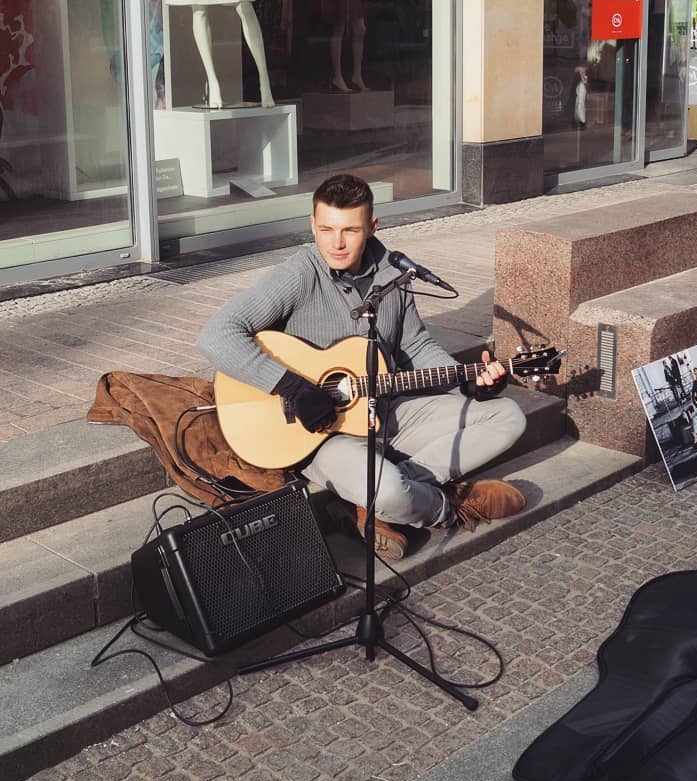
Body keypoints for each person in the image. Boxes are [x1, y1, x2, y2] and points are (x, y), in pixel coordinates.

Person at [197, 173, 527, 560]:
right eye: (326, 229)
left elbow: (414, 345)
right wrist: (293, 387)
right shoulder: (298, 275)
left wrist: (467, 384)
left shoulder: (394, 275)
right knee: (389, 491)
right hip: (322, 434)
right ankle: (447, 506)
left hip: (387, 411)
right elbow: (217, 334)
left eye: (350, 231)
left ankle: (383, 498)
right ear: (312, 225)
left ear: (372, 227)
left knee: (507, 415)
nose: (336, 243)